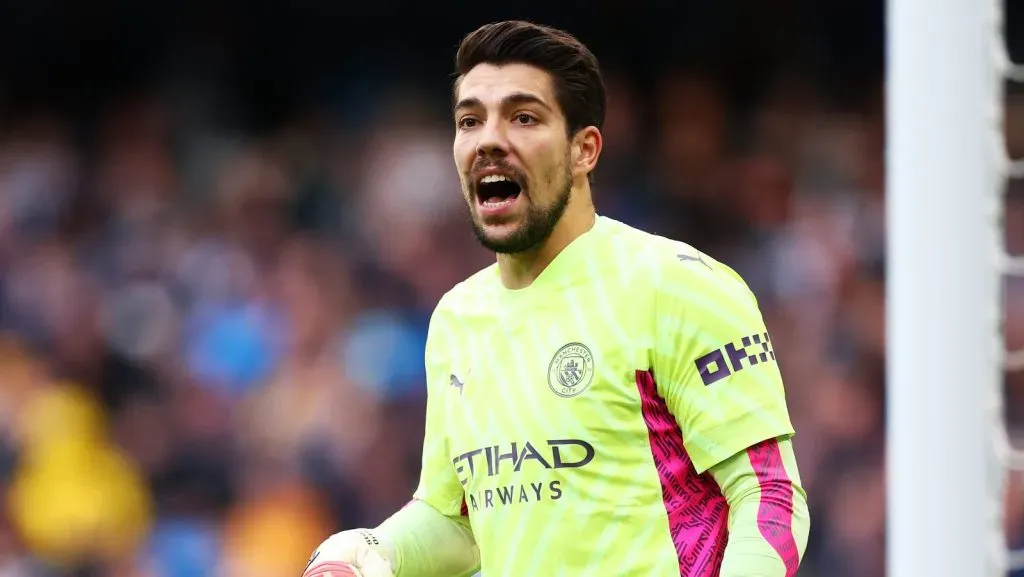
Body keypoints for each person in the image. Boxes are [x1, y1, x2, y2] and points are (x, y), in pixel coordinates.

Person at [304, 20, 810, 577]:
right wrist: (373, 552)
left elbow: (769, 499)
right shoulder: (457, 318)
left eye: (523, 117)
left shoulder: (675, 285)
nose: (489, 139)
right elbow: (458, 521)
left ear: (583, 150)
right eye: (470, 120)